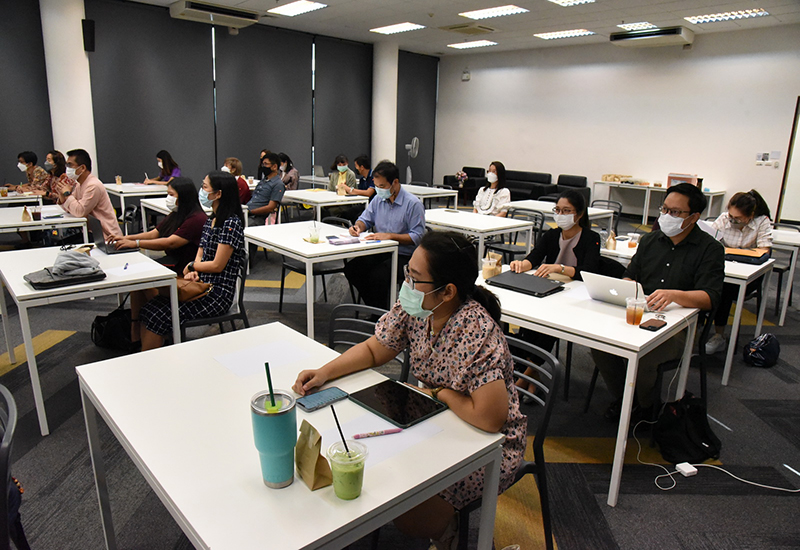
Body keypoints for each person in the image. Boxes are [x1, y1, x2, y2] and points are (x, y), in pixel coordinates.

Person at [294, 231, 526, 550]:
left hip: (488, 443)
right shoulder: (419, 307)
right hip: (434, 418)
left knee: (408, 511)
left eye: (415, 278)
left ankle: (451, 534)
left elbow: (489, 419)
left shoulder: (476, 331)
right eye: (408, 273)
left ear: (448, 291)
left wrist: (440, 394)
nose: (407, 285)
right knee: (381, 472)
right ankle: (447, 527)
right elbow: (375, 349)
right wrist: (324, 372)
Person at [592, 183, 725, 420]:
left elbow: (710, 297)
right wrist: (626, 287)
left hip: (678, 326)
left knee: (647, 357)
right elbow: (630, 275)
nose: (666, 216)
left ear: (694, 217)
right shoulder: (650, 241)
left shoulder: (710, 249)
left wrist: (674, 295)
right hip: (639, 312)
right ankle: (626, 399)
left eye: (675, 212)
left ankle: (646, 408)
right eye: (664, 209)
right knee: (600, 345)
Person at [138, 171, 245, 351]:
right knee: (149, 308)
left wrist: (192, 266)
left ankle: (153, 360)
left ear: (218, 194)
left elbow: (217, 265)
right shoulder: (211, 220)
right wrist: (195, 271)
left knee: (159, 315)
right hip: (201, 284)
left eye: (205, 187)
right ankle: (150, 355)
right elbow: (200, 252)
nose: (201, 191)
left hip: (217, 294)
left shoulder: (230, 223)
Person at [510, 190, 601, 390]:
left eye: (566, 211)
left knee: (548, 325)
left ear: (579, 214)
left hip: (575, 298)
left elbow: (589, 271)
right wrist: (521, 264)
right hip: (548, 291)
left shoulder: (591, 238)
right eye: (557, 210)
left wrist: (559, 268)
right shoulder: (551, 234)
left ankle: (525, 377)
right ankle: (532, 374)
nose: (560, 215)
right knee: (529, 320)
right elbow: (534, 257)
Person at [344, 160, 425, 309]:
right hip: (381, 250)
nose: (379, 190)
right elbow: (365, 219)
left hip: (405, 255)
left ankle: (380, 313)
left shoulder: (413, 204)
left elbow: (417, 236)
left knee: (378, 276)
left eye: (382, 186)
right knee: (352, 269)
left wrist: (390, 236)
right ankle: (376, 308)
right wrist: (358, 227)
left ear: (395, 182)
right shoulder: (378, 199)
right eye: (376, 186)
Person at [706, 189, 773, 354]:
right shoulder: (724, 219)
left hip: (750, 275)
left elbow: (763, 250)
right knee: (703, 283)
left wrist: (729, 252)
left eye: (738, 218)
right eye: (731, 216)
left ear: (750, 216)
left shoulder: (762, 222)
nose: (732, 220)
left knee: (723, 290)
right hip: (726, 268)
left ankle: (719, 335)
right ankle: (697, 328)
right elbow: (709, 242)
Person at [111, 177, 208, 273]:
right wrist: (127, 238)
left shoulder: (197, 219)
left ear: (183, 196)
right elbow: (154, 234)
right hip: (172, 260)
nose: (168, 198)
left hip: (183, 266)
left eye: (171, 194)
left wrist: (136, 243)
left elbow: (170, 243)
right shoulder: (177, 213)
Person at [55, 149, 121, 240]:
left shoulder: (93, 185)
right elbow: (71, 208)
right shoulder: (79, 184)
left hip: (106, 236)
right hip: (92, 231)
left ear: (82, 168)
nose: (67, 168)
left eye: (70, 165)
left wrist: (67, 194)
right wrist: (62, 194)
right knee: (61, 243)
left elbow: (80, 211)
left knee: (63, 245)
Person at [247, 152, 285, 225]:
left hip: (256, 217)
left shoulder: (278, 184)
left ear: (274, 166)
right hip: (247, 213)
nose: (263, 166)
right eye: (263, 164)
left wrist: (250, 212)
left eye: (266, 164)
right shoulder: (263, 181)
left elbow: (270, 208)